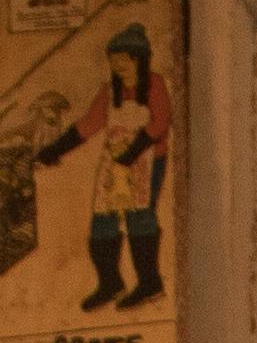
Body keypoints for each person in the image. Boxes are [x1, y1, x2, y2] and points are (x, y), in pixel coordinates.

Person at [35, 21, 174, 310]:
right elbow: (88, 125)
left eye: (123, 60)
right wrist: (54, 149)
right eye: (114, 61)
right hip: (115, 165)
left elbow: (160, 122)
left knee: (140, 217)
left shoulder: (155, 84)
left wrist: (133, 151)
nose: (118, 66)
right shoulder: (109, 91)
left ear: (138, 59)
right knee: (102, 221)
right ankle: (110, 283)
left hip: (148, 162)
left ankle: (150, 283)